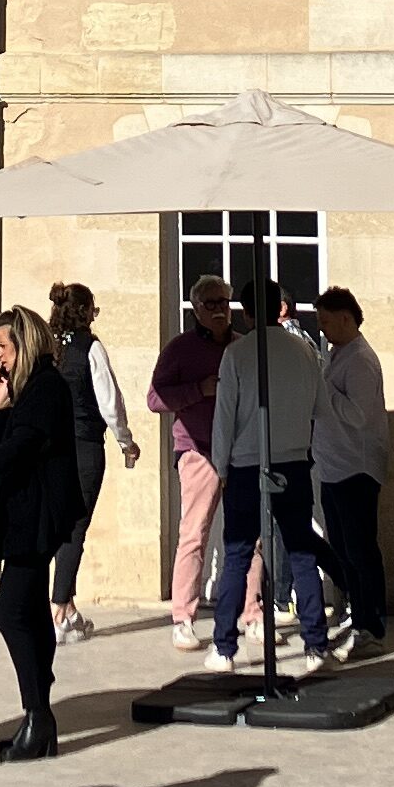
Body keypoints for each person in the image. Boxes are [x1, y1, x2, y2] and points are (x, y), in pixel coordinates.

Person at [0, 307, 80, 756]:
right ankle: (39, 719)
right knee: (32, 614)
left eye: (3, 348)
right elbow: (12, 441)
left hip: (37, 516)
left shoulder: (46, 386)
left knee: (10, 614)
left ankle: (38, 715)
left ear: (23, 347)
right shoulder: (30, 390)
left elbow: (23, 446)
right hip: (28, 513)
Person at [206, 288, 330, 675]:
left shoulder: (237, 354)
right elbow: (320, 407)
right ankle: (316, 645)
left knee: (237, 557)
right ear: (279, 308)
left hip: (246, 464)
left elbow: (223, 418)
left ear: (245, 314)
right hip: (293, 460)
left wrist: (221, 467)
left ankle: (224, 647)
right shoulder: (304, 350)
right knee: (301, 552)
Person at [44, 280, 139, 640]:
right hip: (83, 446)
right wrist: (126, 442)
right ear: (85, 312)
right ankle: (58, 611)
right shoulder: (90, 347)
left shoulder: (47, 347)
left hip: (51, 448)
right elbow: (109, 401)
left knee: (59, 526)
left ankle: (67, 608)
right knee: (74, 528)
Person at [149, 276, 238, 651]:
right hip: (197, 449)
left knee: (247, 537)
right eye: (211, 303)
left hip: (237, 450)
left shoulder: (241, 347)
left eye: (224, 301)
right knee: (194, 533)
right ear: (196, 309)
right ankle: (183, 617)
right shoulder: (180, 349)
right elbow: (155, 399)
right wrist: (198, 390)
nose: (219, 309)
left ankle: (250, 613)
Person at [308, 289, 390, 653]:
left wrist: (323, 386)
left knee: (359, 550)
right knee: (342, 548)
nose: (323, 330)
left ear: (346, 317)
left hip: (355, 469)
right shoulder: (337, 355)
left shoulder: (360, 361)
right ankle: (358, 615)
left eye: (326, 321)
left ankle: (371, 624)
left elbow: (357, 414)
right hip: (333, 467)